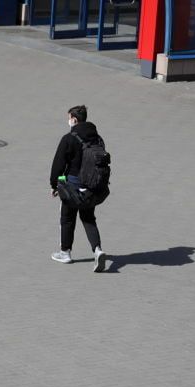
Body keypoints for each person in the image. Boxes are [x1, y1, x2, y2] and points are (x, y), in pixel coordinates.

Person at [50, 105, 108, 273]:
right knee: (88, 218)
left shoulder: (69, 138)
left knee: (67, 218)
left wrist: (55, 184)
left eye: (69, 118)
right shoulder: (97, 138)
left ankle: (65, 252)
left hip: (72, 186)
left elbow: (58, 165)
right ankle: (98, 250)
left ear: (74, 119)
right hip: (91, 187)